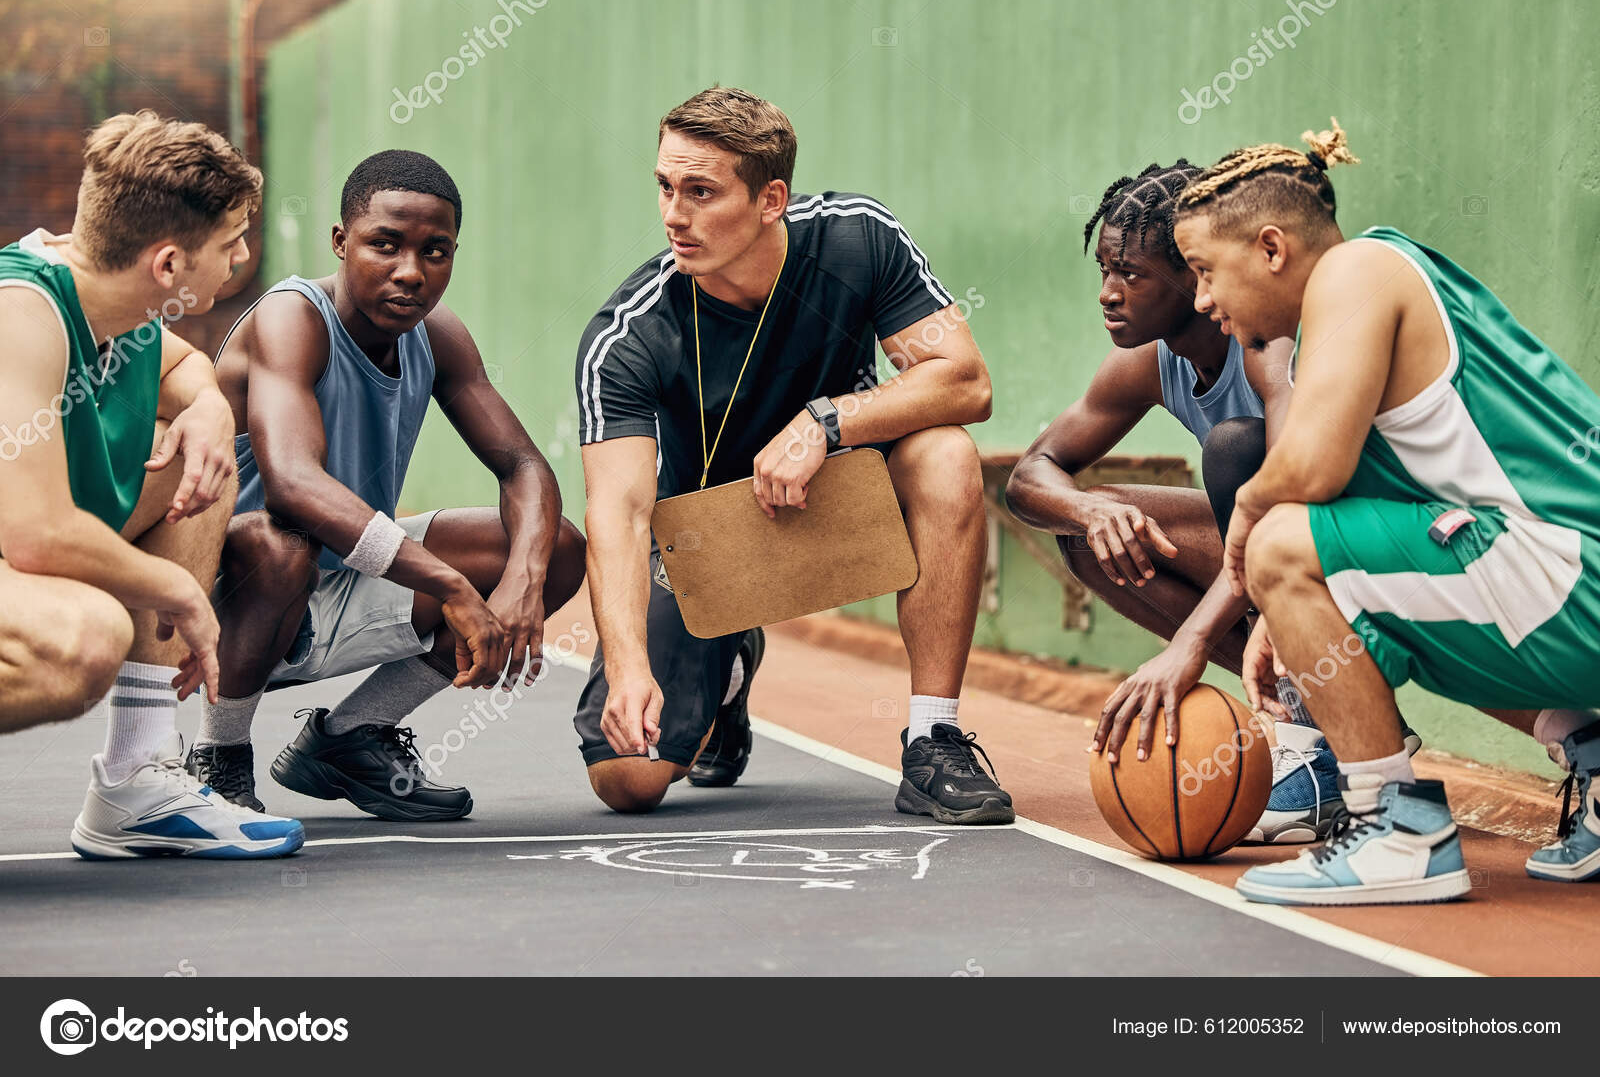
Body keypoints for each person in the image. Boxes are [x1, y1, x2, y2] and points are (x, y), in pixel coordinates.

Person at [1172, 119, 1600, 903]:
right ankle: (1595, 756)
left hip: (1576, 577)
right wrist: (1282, 617)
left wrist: (1250, 527)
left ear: (1271, 248)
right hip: (1563, 584)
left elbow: (1312, 469)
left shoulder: (1356, 271)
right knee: (1336, 587)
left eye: (1205, 271)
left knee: (1279, 542)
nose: (1203, 299)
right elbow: (1383, 511)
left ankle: (1397, 831)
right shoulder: (1359, 303)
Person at [574, 86, 1011, 823]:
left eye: (701, 192)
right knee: (628, 779)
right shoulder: (630, 334)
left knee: (945, 454)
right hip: (708, 547)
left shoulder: (856, 239)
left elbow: (965, 380)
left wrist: (826, 421)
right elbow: (618, 513)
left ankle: (933, 739)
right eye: (666, 187)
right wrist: (628, 668)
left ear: (770, 199)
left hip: (837, 500)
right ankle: (727, 672)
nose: (674, 214)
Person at [1006, 161, 1412, 844]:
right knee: (1088, 530)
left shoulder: (1265, 342)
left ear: (1193, 276)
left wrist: (1189, 643)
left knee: (1235, 450)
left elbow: (1292, 503)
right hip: (1277, 554)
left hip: (1361, 543)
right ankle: (1328, 707)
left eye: (1131, 274)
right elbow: (1030, 476)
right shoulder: (1149, 359)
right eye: (1104, 270)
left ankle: (1317, 738)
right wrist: (1090, 513)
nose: (1108, 293)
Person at [193, 149, 586, 820]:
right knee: (279, 545)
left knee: (559, 548)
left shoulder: (437, 333)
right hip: (229, 597)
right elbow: (292, 486)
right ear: (341, 241)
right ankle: (218, 754)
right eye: (385, 244)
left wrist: (523, 578)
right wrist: (451, 586)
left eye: (435, 251)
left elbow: (523, 466)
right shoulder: (291, 317)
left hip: (345, 571)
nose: (411, 271)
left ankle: (349, 738)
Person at [0, 110, 302, 858]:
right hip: (19, 544)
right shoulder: (21, 314)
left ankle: (136, 781)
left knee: (200, 462)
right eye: (230, 242)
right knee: (82, 638)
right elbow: (36, 534)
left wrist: (208, 410)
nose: (241, 257)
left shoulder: (113, 299)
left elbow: (185, 366)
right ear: (168, 265)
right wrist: (179, 591)